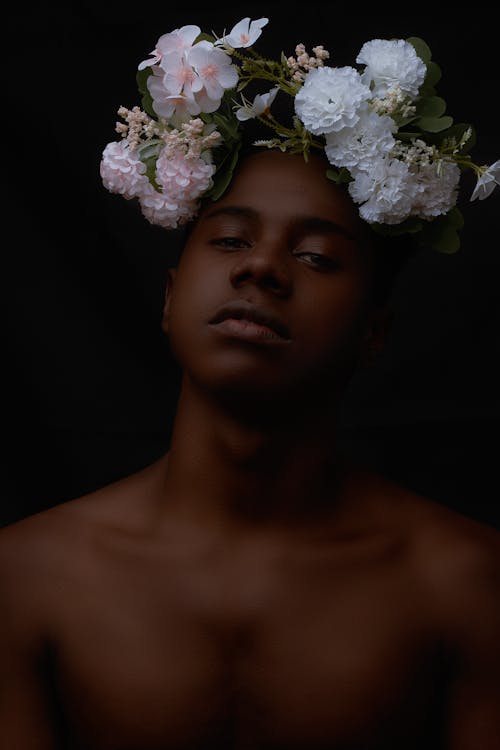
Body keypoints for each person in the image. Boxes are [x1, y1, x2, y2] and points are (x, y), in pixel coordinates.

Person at [1, 16, 499, 749]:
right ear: (171, 297)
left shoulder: (464, 586)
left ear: (374, 334)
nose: (261, 268)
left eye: (319, 257)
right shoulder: (25, 578)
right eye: (232, 239)